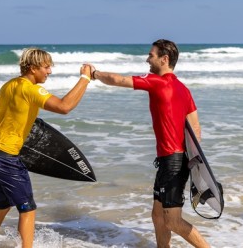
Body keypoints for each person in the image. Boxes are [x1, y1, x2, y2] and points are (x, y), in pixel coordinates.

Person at [88, 39, 209, 248]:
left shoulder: (157, 81)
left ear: (164, 59)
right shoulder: (183, 89)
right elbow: (196, 130)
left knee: (172, 220)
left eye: (151, 55)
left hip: (172, 161)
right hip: (173, 160)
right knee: (157, 215)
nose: (147, 59)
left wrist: (94, 73)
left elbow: (117, 80)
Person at [0, 48, 92, 248]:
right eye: (46, 67)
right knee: (27, 208)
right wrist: (84, 78)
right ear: (32, 68)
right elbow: (64, 106)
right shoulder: (31, 89)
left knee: (3, 204)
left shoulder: (9, 85)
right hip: (6, 158)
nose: (49, 71)